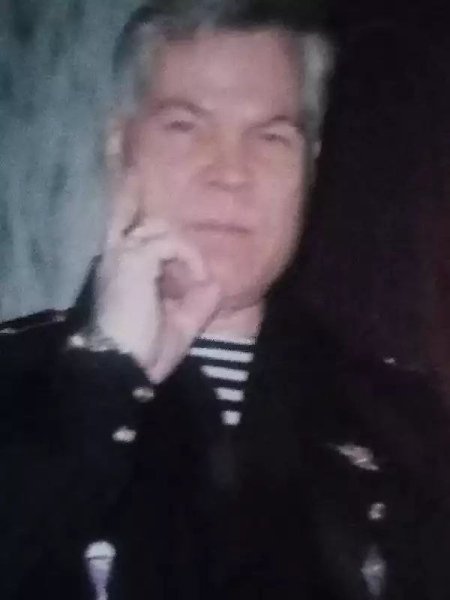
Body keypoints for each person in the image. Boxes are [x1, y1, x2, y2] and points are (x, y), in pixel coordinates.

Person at [1, 1, 450, 598]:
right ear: (119, 147)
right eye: (185, 126)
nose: (231, 172)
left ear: (310, 166)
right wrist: (101, 382)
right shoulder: (14, 380)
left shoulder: (405, 424)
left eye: (270, 137)